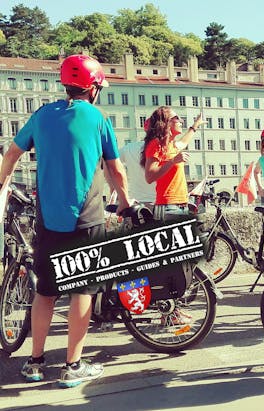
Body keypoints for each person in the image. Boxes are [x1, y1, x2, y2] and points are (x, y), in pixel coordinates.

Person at [0, 54, 130, 388]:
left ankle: (35, 361)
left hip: (48, 220)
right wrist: (127, 203)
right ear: (94, 87)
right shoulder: (97, 118)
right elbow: (115, 169)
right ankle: (73, 366)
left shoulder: (42, 115)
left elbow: (11, 154)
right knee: (81, 291)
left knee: (45, 291)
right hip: (86, 217)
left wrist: (2, 184)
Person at [141, 106, 204, 221]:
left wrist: (196, 125)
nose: (181, 121)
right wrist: (173, 161)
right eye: (177, 118)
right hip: (168, 207)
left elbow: (184, 141)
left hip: (182, 205)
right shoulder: (156, 145)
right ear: (166, 122)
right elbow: (149, 176)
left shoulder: (172, 145)